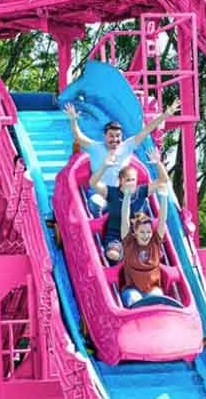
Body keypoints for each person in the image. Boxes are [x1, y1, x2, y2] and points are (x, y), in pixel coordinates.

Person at [64, 99, 180, 188]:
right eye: (111, 136)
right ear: (104, 136)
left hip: (120, 191)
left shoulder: (127, 146)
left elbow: (146, 130)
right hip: (99, 191)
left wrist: (166, 115)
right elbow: (78, 136)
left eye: (118, 136)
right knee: (97, 203)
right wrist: (73, 120)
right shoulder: (95, 147)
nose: (115, 139)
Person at [89, 147, 168, 263]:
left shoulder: (141, 191)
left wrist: (158, 163)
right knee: (112, 254)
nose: (131, 183)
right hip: (115, 236)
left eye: (133, 180)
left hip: (137, 236)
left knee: (154, 255)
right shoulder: (112, 192)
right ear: (121, 181)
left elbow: (163, 180)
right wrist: (104, 166)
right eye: (128, 180)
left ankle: (133, 257)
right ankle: (126, 258)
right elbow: (93, 183)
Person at [119, 174, 169, 308]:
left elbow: (162, 220)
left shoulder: (155, 243)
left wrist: (164, 197)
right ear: (135, 233)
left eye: (148, 232)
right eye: (142, 232)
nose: (146, 235)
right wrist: (127, 196)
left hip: (152, 290)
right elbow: (124, 220)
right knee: (134, 300)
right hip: (133, 290)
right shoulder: (129, 243)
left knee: (156, 299)